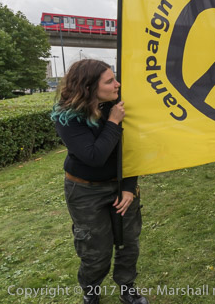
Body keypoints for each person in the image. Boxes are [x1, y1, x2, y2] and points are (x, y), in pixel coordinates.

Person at [51, 59, 148, 304]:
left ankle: (127, 288)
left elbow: (132, 149)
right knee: (95, 250)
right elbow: (94, 156)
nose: (118, 84)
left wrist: (129, 188)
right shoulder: (67, 116)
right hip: (85, 190)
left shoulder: (119, 105)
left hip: (121, 186)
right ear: (89, 87)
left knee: (128, 243)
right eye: (109, 81)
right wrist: (114, 122)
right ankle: (91, 290)